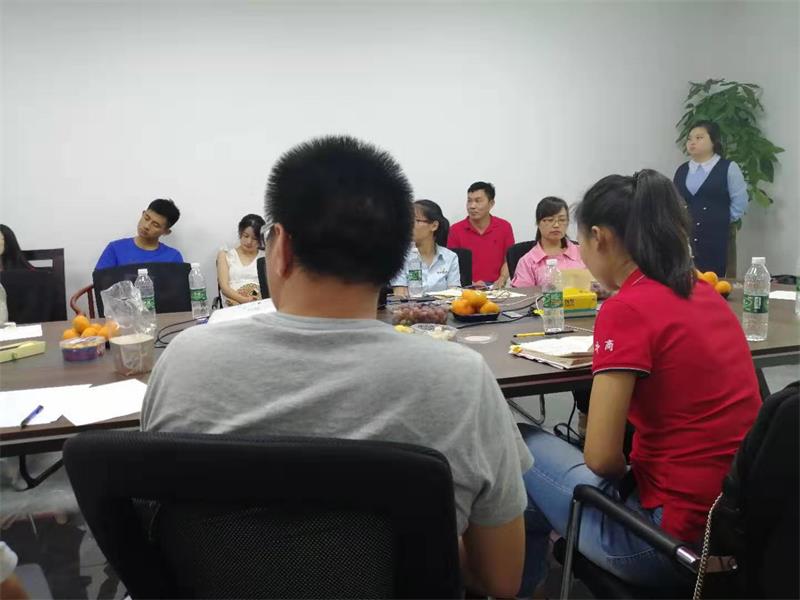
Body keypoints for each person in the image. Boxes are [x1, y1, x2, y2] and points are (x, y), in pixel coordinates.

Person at [141, 135, 533, 598]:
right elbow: (500, 579)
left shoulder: (183, 361)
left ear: (279, 248)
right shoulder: (461, 382)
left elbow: (155, 523)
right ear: (395, 259)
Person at [517, 169, 761, 592]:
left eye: (580, 242)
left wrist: (626, 470)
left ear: (600, 237)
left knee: (518, 445)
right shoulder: (704, 292)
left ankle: (512, 585)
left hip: (667, 545)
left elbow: (600, 458)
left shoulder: (626, 308)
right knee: (534, 500)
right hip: (739, 534)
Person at [673, 121, 748, 276]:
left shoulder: (728, 168)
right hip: (687, 237)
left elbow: (739, 202)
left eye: (699, 138)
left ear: (713, 141)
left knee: (717, 280)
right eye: (689, 139)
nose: (692, 142)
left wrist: (720, 219)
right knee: (686, 278)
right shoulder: (682, 170)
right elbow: (675, 202)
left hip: (717, 237)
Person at [447, 182, 515, 287]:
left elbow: (508, 260)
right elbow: (452, 265)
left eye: (478, 201)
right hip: (466, 288)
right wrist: (470, 283)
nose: (472, 206)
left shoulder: (504, 227)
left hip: (495, 288)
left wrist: (502, 278)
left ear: (491, 203)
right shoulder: (455, 230)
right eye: (469, 201)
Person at [510, 197, 584, 287]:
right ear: (538, 223)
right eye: (550, 220)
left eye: (562, 220)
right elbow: (523, 294)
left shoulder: (583, 253)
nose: (556, 225)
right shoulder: (528, 262)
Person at [391, 200, 461, 296]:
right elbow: (400, 295)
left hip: (443, 306)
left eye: (416, 221)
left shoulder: (450, 257)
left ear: (434, 226)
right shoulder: (400, 257)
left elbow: (454, 294)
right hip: (411, 305)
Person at [94, 199, 183, 270]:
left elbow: (177, 286)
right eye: (146, 218)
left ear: (166, 232)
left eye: (155, 225)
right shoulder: (115, 249)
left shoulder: (173, 257)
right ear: (143, 214)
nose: (146, 226)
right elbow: (100, 282)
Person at [217, 213, 266, 306]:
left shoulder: (265, 257)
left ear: (260, 239)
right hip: (231, 303)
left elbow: (267, 286)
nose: (249, 242)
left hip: (258, 302)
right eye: (246, 236)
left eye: (254, 238)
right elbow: (224, 287)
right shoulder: (225, 255)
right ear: (240, 233)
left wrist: (252, 297)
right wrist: (243, 300)